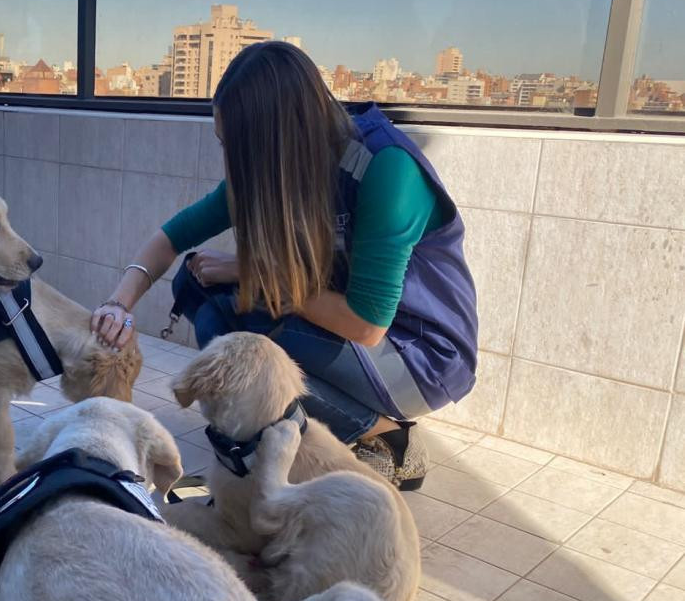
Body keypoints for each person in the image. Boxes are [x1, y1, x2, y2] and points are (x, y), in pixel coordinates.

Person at [91, 42, 478, 490]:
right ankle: (270, 433)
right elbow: (171, 238)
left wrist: (252, 272)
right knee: (203, 293)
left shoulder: (385, 169)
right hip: (353, 333)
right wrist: (118, 304)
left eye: (235, 145)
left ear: (274, 139)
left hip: (420, 354)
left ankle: (385, 436)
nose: (230, 158)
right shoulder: (277, 171)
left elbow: (367, 324)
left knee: (260, 349)